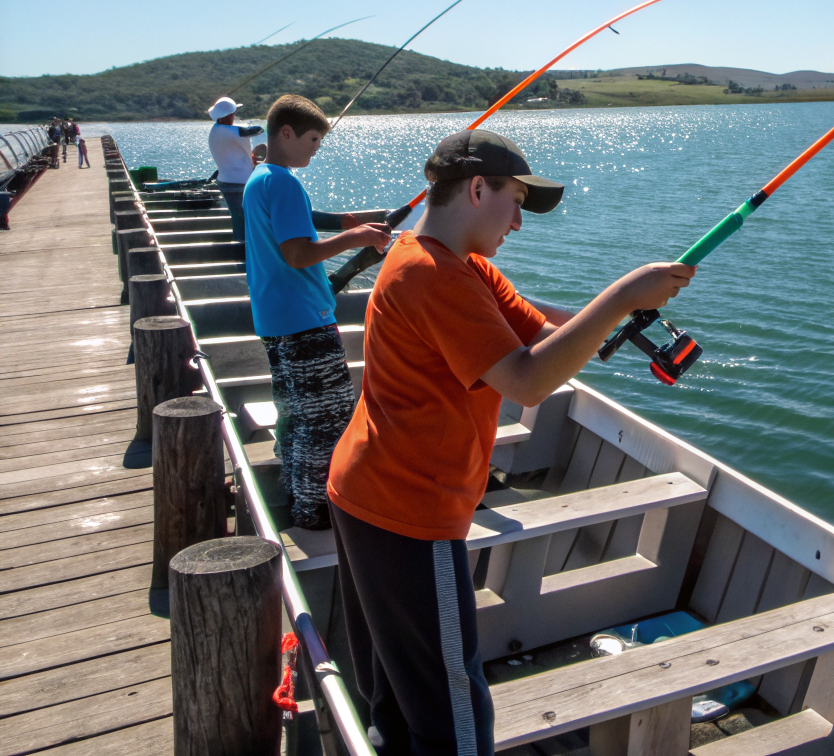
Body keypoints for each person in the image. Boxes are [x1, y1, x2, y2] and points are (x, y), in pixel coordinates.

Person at [326, 128, 695, 755]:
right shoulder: (431, 276)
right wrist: (624, 294)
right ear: (476, 189)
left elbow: (549, 334)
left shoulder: (460, 267)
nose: (519, 223)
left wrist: (622, 320)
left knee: (396, 697)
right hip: (407, 511)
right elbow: (528, 381)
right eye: (515, 202)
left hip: (369, 491)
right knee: (453, 720)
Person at [243, 94, 392, 529]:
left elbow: (301, 222)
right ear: (285, 133)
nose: (316, 148)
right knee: (327, 420)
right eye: (312, 139)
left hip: (276, 320)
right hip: (306, 320)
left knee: (294, 415)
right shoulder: (285, 182)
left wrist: (349, 222)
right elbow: (297, 252)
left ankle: (294, 494)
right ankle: (316, 511)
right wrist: (358, 237)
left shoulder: (261, 178)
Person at [207, 96, 264, 241]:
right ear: (228, 116)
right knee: (246, 217)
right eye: (233, 114)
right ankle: (245, 247)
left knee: (238, 216)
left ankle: (240, 244)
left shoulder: (215, 131)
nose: (234, 117)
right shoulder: (234, 131)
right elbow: (258, 129)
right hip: (241, 183)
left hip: (225, 181)